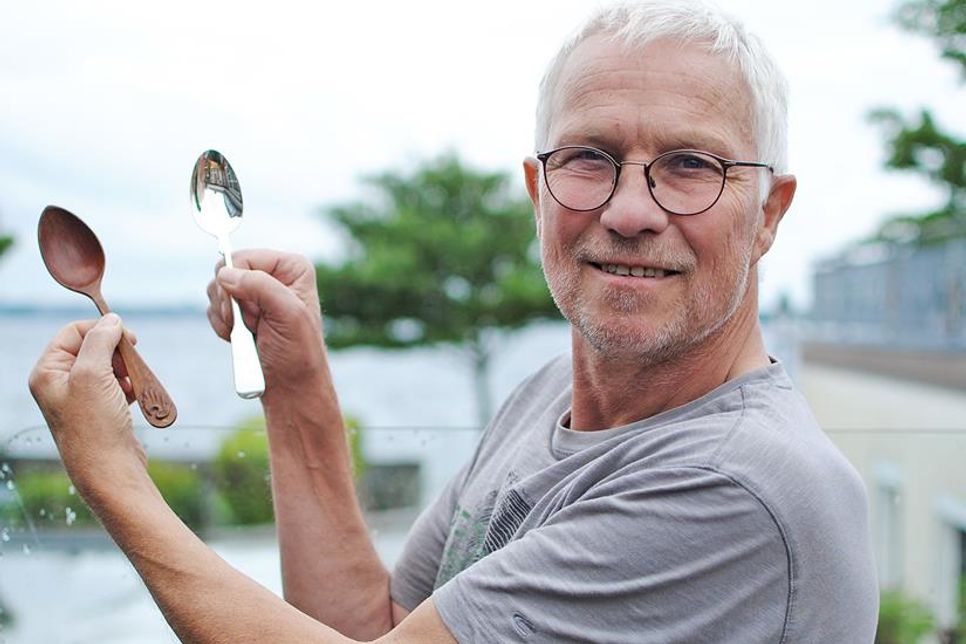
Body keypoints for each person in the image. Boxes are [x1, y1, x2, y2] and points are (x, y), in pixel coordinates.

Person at [28, 0, 879, 641]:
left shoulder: (736, 489)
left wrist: (109, 474)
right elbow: (374, 625)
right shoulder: (551, 393)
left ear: (769, 213)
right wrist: (295, 382)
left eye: (691, 165)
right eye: (589, 158)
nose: (628, 209)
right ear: (536, 192)